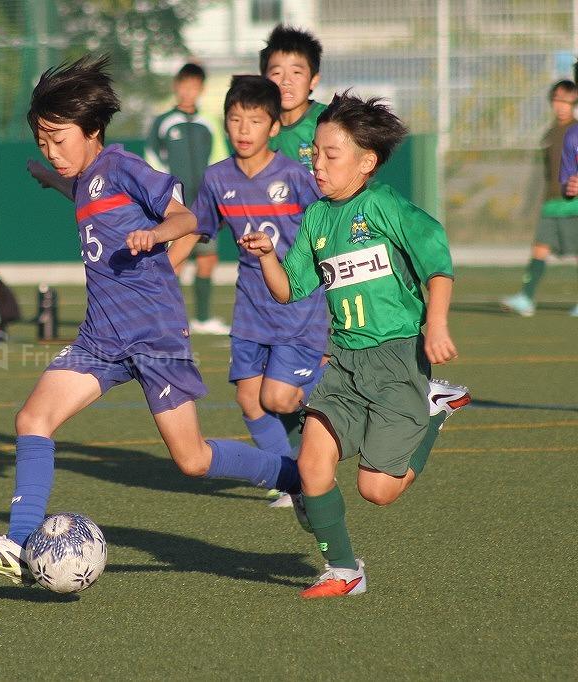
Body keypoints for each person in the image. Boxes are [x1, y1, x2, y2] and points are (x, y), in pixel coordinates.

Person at [0, 55, 305, 585]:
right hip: (100, 338)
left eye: (58, 139)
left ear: (92, 130)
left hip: (154, 334)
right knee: (32, 420)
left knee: (192, 460)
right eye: (42, 142)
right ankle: (18, 543)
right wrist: (50, 179)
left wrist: (155, 235)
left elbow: (186, 217)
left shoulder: (122, 166)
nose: (51, 150)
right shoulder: (85, 178)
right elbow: (87, 193)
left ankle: (294, 474)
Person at [239, 92, 471, 598]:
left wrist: (436, 325)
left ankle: (433, 409)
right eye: (314, 154)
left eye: (330, 155)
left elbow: (437, 263)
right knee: (311, 466)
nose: (317, 165)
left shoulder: (384, 206)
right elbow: (289, 290)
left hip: (396, 360)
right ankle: (345, 570)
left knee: (377, 490)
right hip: (344, 362)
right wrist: (267, 256)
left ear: (366, 162)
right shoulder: (317, 218)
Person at [169, 76, 327, 511]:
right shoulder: (217, 178)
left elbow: (326, 229)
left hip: (297, 307)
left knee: (277, 398)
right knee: (249, 400)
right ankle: (294, 482)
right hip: (250, 311)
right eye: (235, 119)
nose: (243, 129)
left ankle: (347, 389)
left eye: (254, 121)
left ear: (274, 127)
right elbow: (197, 229)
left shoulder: (294, 176)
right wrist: (163, 269)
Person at [146, 63, 227, 335]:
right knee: (174, 262)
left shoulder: (209, 122)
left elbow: (219, 160)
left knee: (207, 259)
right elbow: (153, 161)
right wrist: (163, 197)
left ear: (201, 89)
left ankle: (203, 319)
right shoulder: (163, 122)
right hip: (175, 208)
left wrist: (217, 198)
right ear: (176, 87)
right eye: (184, 86)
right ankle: (172, 320)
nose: (188, 92)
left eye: (194, 87)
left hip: (205, 206)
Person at [504, 79, 578, 317]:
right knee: (540, 248)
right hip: (552, 203)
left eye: (567, 101)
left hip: (573, 205)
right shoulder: (549, 133)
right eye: (557, 100)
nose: (561, 105)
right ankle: (526, 298)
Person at [260, 25, 326, 172]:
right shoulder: (258, 126)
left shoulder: (329, 122)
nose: (286, 81)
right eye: (276, 73)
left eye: (296, 72)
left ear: (313, 80)